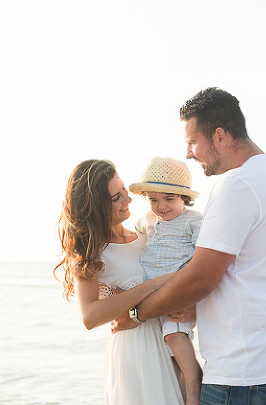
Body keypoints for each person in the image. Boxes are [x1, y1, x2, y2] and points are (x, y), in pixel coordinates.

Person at [130, 87, 266, 405]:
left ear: (219, 136)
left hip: (246, 373)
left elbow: (200, 278)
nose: (188, 153)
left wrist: (137, 312)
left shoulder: (236, 184)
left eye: (192, 142)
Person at [55, 159, 184, 405]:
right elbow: (90, 316)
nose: (128, 199)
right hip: (135, 352)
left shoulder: (147, 233)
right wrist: (150, 286)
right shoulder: (93, 254)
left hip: (172, 342)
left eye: (124, 189)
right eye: (116, 198)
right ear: (96, 206)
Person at [129, 157, 204, 405]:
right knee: (168, 356)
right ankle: (183, 391)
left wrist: (193, 299)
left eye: (169, 199)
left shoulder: (194, 221)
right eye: (153, 199)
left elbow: (204, 260)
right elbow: (132, 243)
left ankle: (195, 390)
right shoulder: (146, 221)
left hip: (177, 293)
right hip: (151, 295)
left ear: (184, 198)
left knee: (174, 336)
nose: (161, 206)